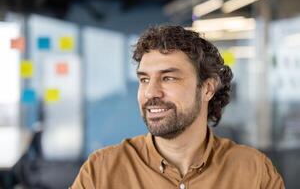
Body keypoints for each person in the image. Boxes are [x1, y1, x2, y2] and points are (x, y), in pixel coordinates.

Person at [70, 25, 284, 189]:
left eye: (168, 78)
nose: (151, 92)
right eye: (144, 80)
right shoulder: (101, 172)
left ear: (207, 89)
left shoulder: (254, 172)